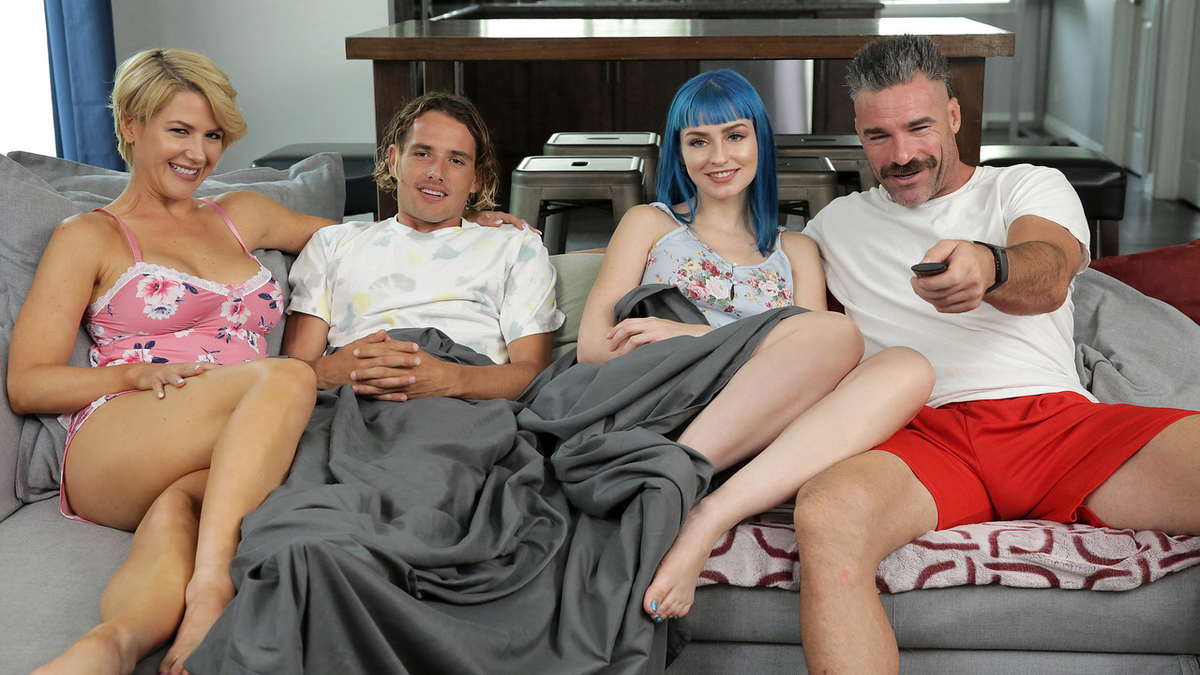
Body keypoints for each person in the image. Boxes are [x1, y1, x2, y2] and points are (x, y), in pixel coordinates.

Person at [793, 35, 1200, 673]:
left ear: (954, 115)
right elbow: (767, 311)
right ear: (858, 134)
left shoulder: (1024, 186)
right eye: (878, 136)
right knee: (825, 513)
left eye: (919, 127)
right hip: (920, 435)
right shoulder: (833, 227)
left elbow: (1050, 272)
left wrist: (991, 266)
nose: (902, 155)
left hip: (1055, 424)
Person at [6, 49, 328, 675]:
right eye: (180, 130)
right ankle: (212, 588)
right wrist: (131, 374)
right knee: (291, 374)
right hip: (122, 433)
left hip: (217, 442)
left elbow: (363, 242)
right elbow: (27, 384)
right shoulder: (89, 236)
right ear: (130, 125)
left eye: (213, 136)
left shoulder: (243, 216)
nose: (199, 154)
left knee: (184, 506)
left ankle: (111, 646)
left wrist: (477, 225)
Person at [576, 69, 935, 623]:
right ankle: (675, 480)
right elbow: (591, 349)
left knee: (907, 366)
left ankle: (703, 510)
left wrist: (695, 335)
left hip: (761, 436)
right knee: (834, 332)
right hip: (665, 406)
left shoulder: (797, 250)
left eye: (735, 136)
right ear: (679, 153)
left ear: (760, 142)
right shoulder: (650, 224)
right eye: (698, 141)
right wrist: (689, 349)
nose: (719, 156)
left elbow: (821, 370)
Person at [282, 92, 564, 400]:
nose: (436, 173)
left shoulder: (515, 246)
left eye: (456, 161)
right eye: (422, 154)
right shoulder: (331, 243)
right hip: (353, 396)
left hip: (463, 400)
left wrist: (452, 380)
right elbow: (293, 371)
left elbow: (532, 375)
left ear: (476, 179)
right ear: (393, 160)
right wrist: (334, 372)